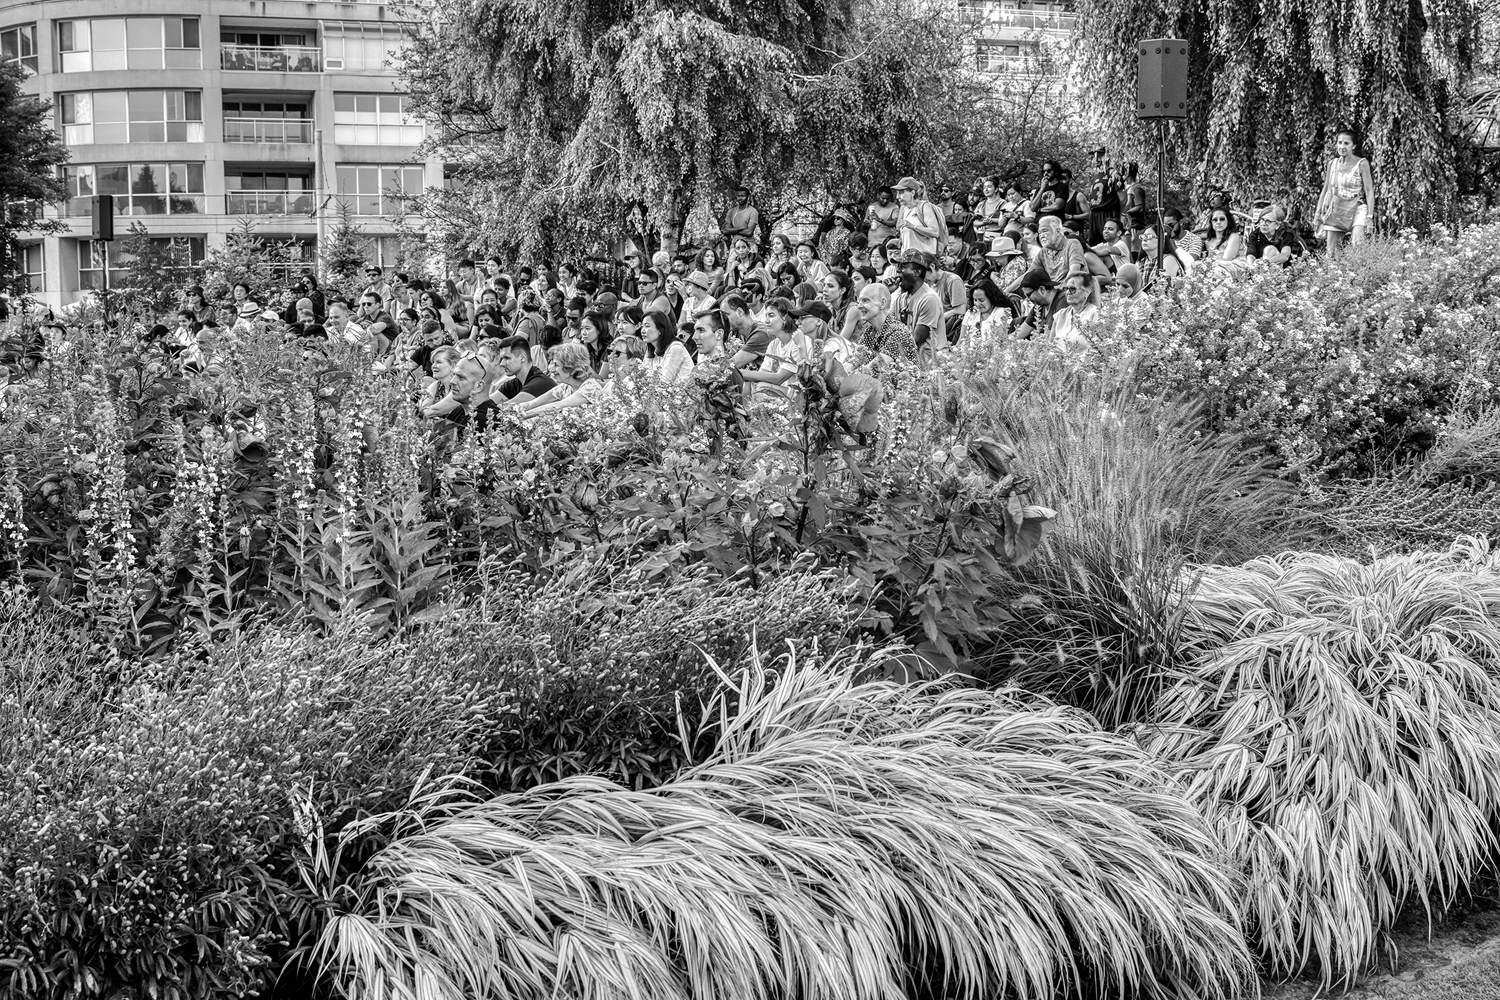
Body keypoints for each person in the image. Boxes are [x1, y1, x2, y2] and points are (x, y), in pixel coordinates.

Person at [1316, 127, 1375, 253]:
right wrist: (1318, 213)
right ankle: (1335, 273)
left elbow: (1369, 192)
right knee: (1332, 252)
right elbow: (1326, 189)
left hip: (1357, 207)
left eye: (1346, 143)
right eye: (1340, 142)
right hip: (1337, 208)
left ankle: (1358, 272)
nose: (1342, 146)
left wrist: (1369, 217)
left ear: (1353, 146)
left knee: (1357, 246)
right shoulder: (1332, 164)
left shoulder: (1362, 164)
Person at [742, 298, 812, 398]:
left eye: (771, 315)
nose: (766, 321)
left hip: (799, 395)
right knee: (748, 384)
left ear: (785, 318)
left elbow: (779, 378)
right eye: (765, 315)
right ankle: (748, 413)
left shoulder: (798, 341)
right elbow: (762, 374)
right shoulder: (773, 344)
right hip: (781, 391)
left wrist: (741, 373)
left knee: (761, 389)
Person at [519, 342, 605, 417]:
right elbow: (531, 404)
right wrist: (516, 409)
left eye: (556, 365)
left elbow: (557, 406)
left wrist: (524, 415)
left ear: (571, 367)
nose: (551, 369)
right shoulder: (565, 387)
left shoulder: (590, 388)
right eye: (551, 363)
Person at [891, 250, 945, 356]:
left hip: (928, 361)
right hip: (906, 358)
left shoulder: (929, 299)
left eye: (903, 267)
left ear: (917, 272)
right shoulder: (900, 298)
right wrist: (886, 292)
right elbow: (886, 327)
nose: (897, 271)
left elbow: (915, 341)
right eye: (898, 266)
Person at [852, 282, 917, 362]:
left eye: (865, 300)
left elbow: (875, 368)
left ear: (882, 303)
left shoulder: (898, 332)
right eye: (859, 301)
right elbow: (854, 362)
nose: (859, 306)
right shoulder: (869, 332)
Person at [490, 335, 557, 403]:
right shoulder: (514, 384)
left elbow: (508, 409)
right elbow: (487, 404)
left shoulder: (540, 383)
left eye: (507, 358)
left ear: (522, 357)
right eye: (502, 359)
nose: (502, 363)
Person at [1050, 267, 1100, 352]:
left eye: (1072, 289)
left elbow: (1098, 349)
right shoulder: (1060, 315)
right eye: (1066, 289)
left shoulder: (1096, 314)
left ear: (1087, 292)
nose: (1068, 292)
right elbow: (1050, 346)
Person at [894, 177, 944, 256]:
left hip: (923, 259)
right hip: (908, 258)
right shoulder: (904, 209)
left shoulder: (924, 206)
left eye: (901, 192)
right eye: (897, 193)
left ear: (912, 193)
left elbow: (935, 232)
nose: (897, 197)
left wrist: (913, 226)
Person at [641, 310, 695, 382]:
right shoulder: (650, 349)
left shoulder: (675, 348)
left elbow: (665, 382)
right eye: (642, 326)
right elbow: (643, 378)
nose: (643, 331)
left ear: (660, 329)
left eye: (647, 326)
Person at [1012, 267, 1060, 341]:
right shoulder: (1039, 305)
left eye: (1028, 295)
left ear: (1042, 289)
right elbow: (1019, 333)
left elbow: (1052, 340)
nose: (1028, 299)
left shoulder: (1062, 303)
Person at [959, 278, 1010, 343]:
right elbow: (961, 339)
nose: (977, 304)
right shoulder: (970, 312)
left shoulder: (1002, 312)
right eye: (975, 300)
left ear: (992, 298)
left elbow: (1000, 340)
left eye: (981, 300)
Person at [1137, 224, 1182, 290]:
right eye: (1143, 236)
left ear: (1161, 240)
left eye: (1149, 236)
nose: (1144, 239)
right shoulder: (1141, 261)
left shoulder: (1168, 259)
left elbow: (1164, 289)